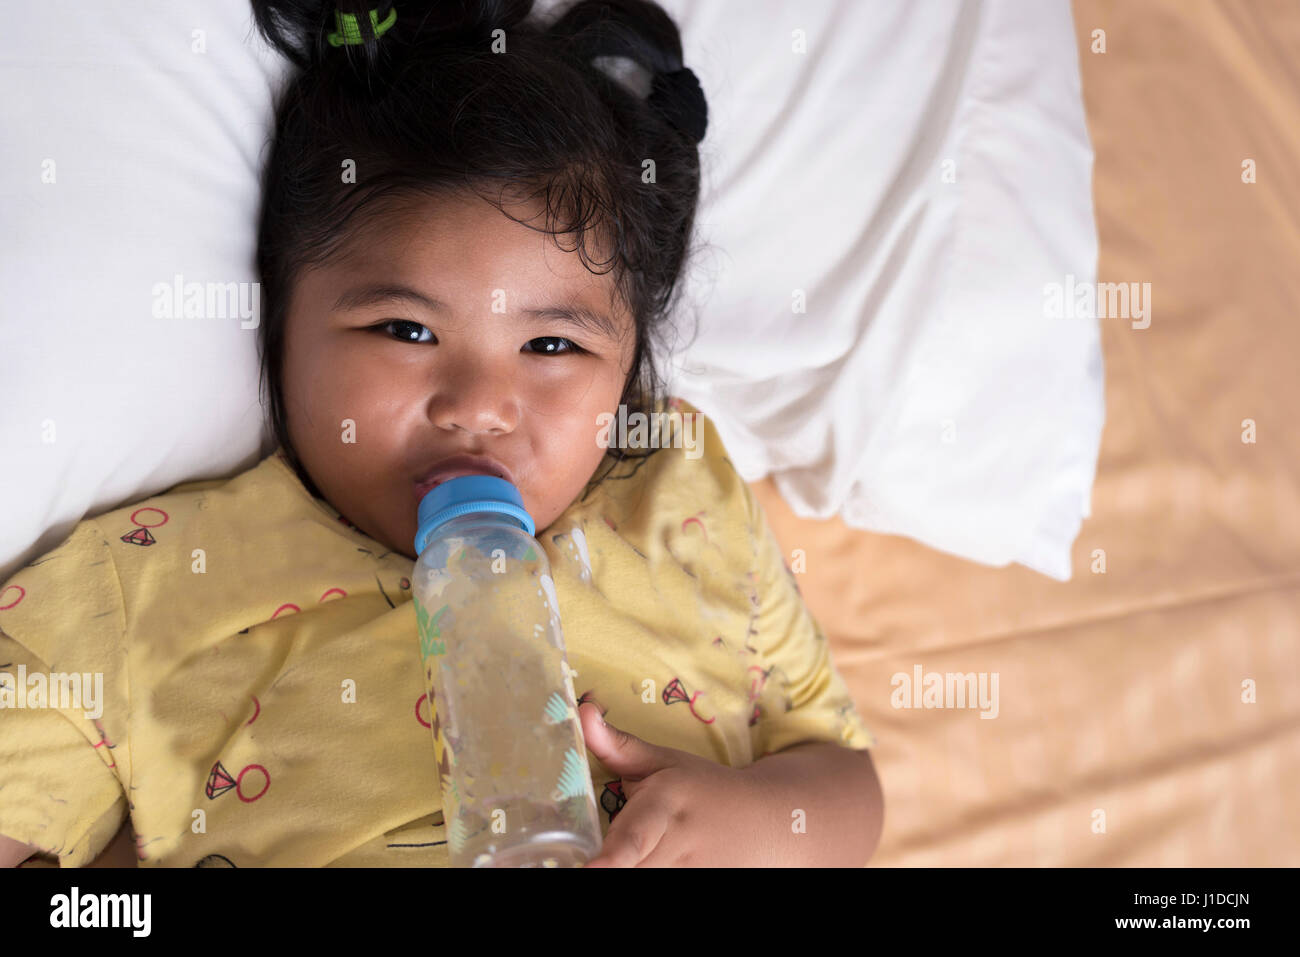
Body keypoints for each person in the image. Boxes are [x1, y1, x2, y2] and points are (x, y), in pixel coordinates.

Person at [0, 0, 882, 868]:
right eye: (406, 331)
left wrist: (764, 821)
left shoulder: (682, 499)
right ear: (280, 330)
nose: (478, 404)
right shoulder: (149, 583)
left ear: (628, 374)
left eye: (551, 344)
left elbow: (845, 773)